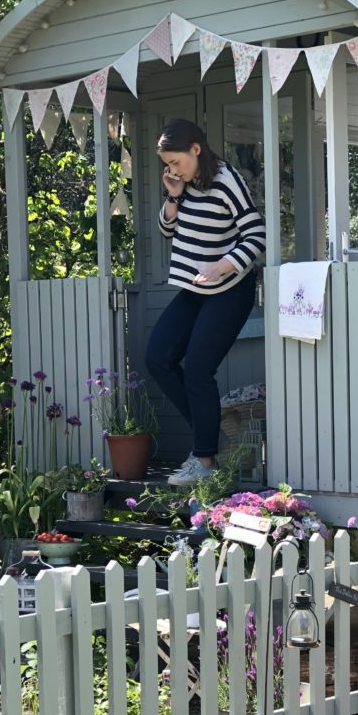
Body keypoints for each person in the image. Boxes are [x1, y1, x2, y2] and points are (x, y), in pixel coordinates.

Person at [145, 119, 266, 486]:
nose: (172, 169)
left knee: (197, 368)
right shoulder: (184, 182)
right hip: (195, 288)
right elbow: (168, 230)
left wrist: (222, 265)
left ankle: (205, 460)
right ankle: (208, 434)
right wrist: (173, 194)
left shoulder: (226, 181)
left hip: (230, 289)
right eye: (167, 164)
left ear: (196, 149)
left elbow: (257, 233)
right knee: (157, 357)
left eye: (176, 162)